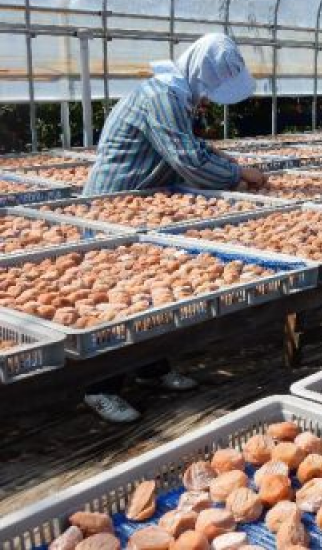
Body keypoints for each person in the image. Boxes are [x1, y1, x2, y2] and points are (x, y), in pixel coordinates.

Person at [82, 33, 265, 423]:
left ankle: (151, 368)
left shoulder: (176, 95)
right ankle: (100, 386)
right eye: (210, 90)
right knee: (119, 296)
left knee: (150, 290)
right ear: (199, 74)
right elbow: (188, 160)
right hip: (113, 204)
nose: (209, 100)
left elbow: (191, 145)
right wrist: (238, 175)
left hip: (142, 204)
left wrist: (225, 160)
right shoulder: (162, 96)